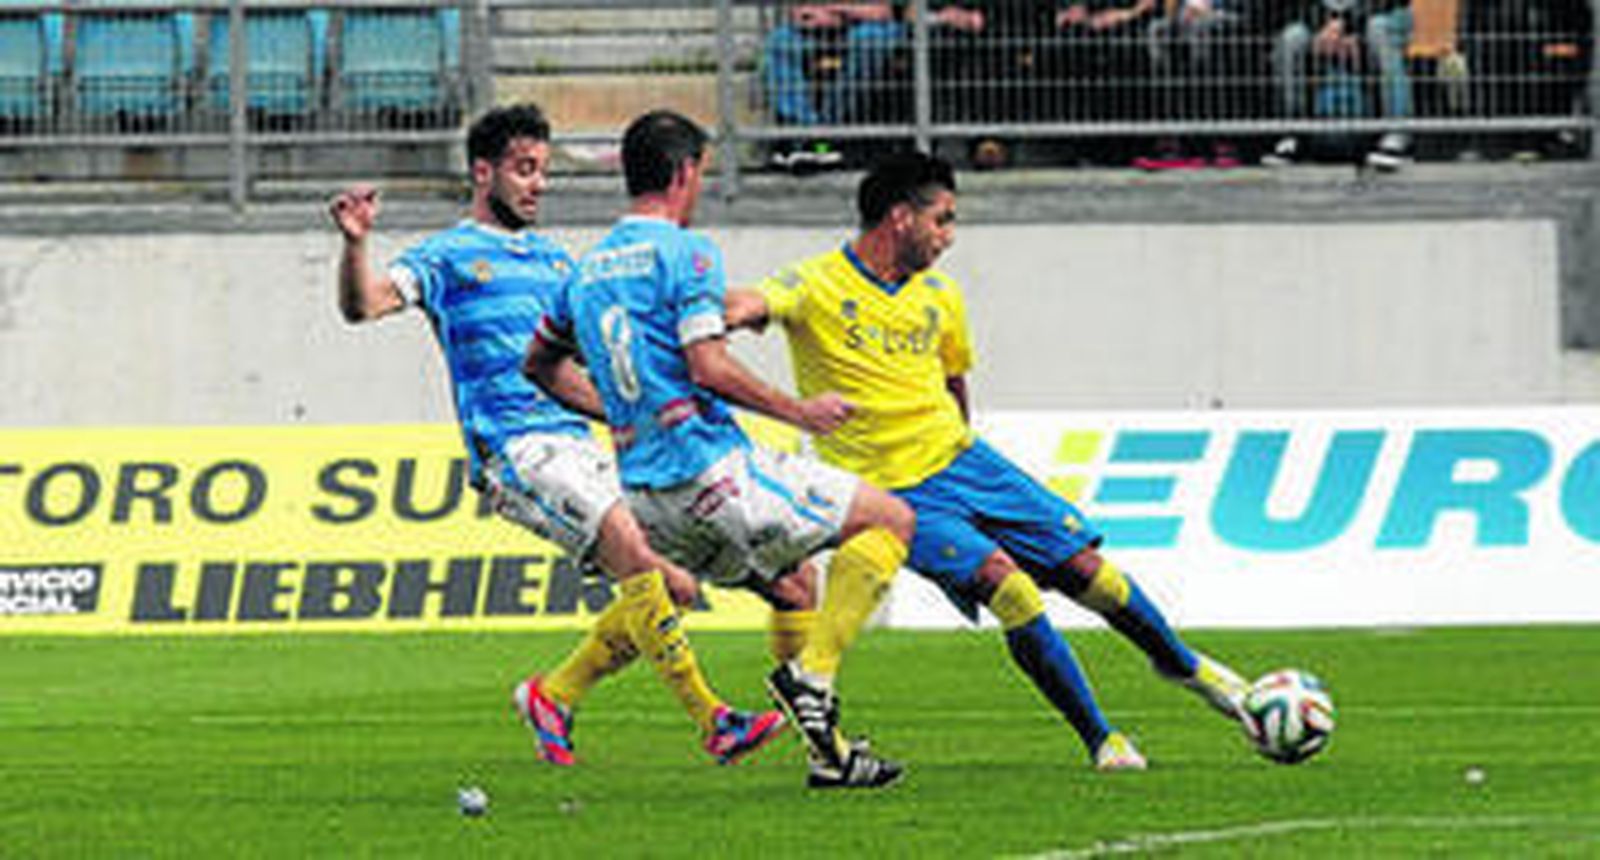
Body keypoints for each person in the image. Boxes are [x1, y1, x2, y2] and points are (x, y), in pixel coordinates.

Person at [725, 151, 1251, 771]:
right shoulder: (815, 283)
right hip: (896, 495)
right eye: (942, 220)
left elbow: (954, 383)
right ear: (900, 218)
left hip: (967, 463)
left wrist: (965, 449)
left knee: (1090, 572)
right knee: (1014, 592)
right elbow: (753, 302)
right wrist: (717, 318)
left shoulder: (941, 295)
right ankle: (1101, 739)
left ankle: (1188, 669)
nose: (949, 237)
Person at [329, 102, 785, 769]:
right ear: (483, 172)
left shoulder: (555, 262)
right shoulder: (447, 256)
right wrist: (355, 242)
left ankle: (554, 694)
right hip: (514, 451)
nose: (537, 184)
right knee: (637, 553)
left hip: (579, 443)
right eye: (523, 169)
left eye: (543, 170)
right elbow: (363, 305)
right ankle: (714, 721)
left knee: (678, 588)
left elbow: (590, 355)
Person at [524, 109, 916, 790]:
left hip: (646, 500)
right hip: (713, 473)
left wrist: (626, 413)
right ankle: (810, 682)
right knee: (892, 520)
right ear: (684, 172)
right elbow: (708, 366)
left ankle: (830, 757)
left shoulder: (583, 275)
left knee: (796, 584)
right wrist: (800, 411)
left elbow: (539, 364)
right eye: (700, 171)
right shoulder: (688, 253)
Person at [1262, 0, 1415, 170]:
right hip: (1319, 22)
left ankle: (1397, 136)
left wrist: (1349, 27)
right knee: (1293, 37)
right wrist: (1323, 28)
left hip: (1383, 13)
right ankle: (1291, 135)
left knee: (1378, 28)